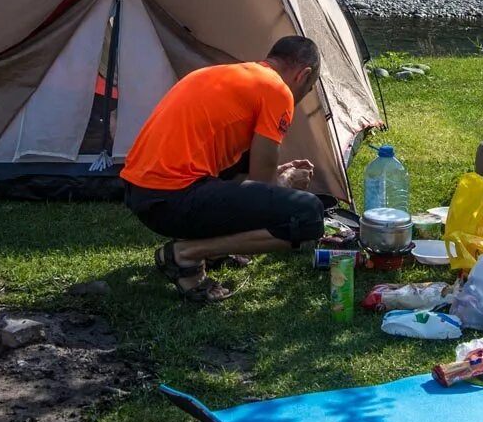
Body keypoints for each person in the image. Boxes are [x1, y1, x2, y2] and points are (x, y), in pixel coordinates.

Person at [121, 35, 328, 303]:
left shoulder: (225, 73)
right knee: (309, 215)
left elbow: (253, 171)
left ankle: (215, 251)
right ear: (304, 74)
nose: (301, 98)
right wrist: (286, 180)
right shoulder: (278, 90)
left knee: (243, 159)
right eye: (308, 89)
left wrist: (275, 175)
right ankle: (187, 254)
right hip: (173, 200)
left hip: (140, 192)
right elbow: (261, 186)